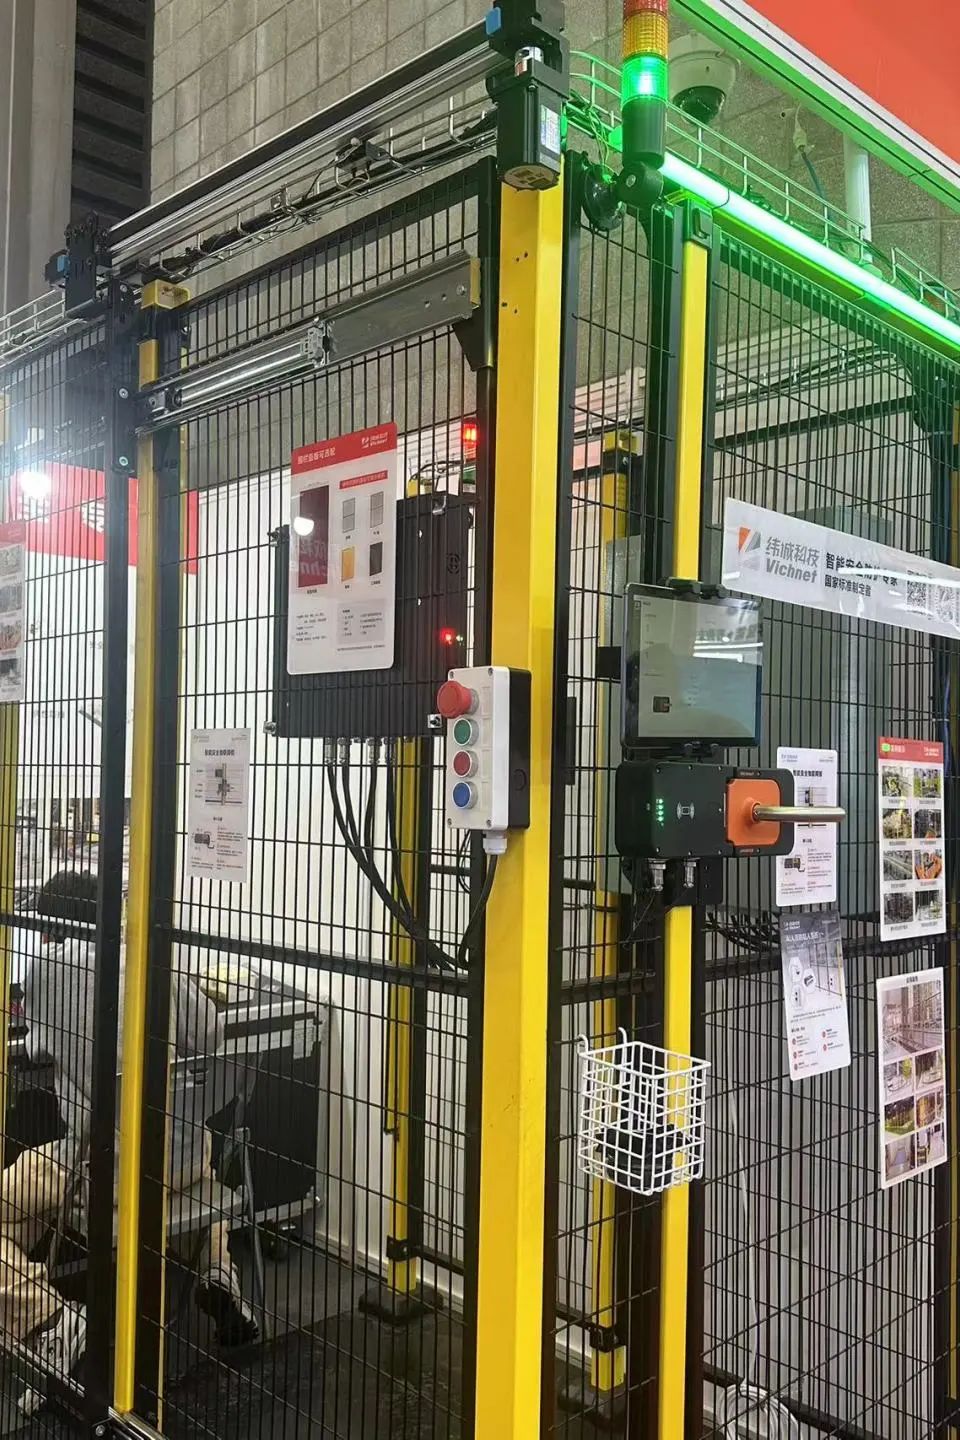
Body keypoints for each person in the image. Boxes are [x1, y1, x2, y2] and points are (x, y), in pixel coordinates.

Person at [2, 870, 257, 1412]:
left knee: (14, 1197)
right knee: (199, 1178)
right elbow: (210, 1034)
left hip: (102, 1169)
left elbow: (35, 1048)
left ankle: (49, 1318)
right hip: (179, 1160)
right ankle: (219, 1275)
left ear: (51, 930)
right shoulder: (152, 959)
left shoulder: (44, 972)